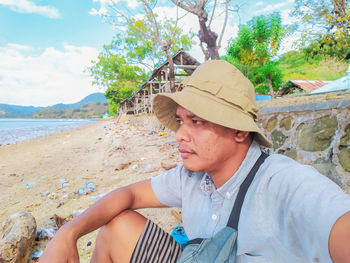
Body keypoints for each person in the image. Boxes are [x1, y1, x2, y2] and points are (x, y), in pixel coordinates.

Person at [40, 60, 350, 263]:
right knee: (117, 226)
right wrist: (67, 233)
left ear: (240, 131)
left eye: (198, 121)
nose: (180, 135)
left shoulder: (284, 184)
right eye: (181, 121)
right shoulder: (190, 177)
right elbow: (128, 195)